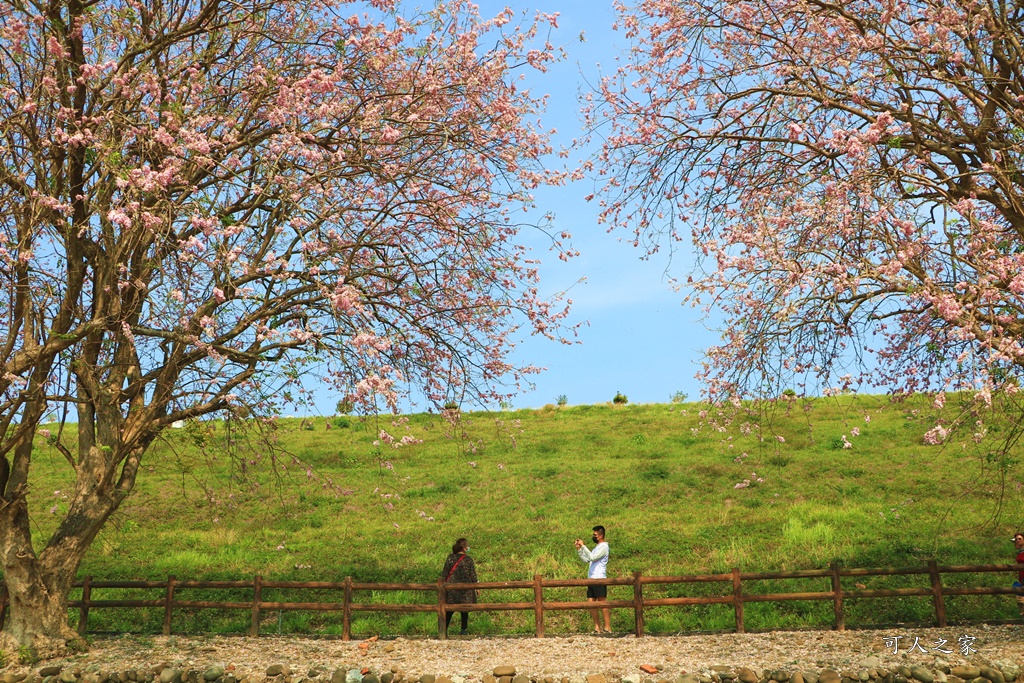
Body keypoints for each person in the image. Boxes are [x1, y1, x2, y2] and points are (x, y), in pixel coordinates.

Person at [575, 524, 611, 634]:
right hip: (591, 578)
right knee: (591, 602)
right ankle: (597, 627)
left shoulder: (604, 547)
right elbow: (587, 560)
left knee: (602, 603)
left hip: (599, 578)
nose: (594, 536)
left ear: (601, 535)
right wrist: (580, 550)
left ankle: (607, 627)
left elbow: (593, 558)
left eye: (595, 535)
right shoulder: (596, 548)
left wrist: (584, 546)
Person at [441, 537, 477, 635]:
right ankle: (463, 630)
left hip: (451, 587)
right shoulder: (468, 559)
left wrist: (442, 585)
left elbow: (444, 573)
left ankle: (444, 630)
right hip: (466, 588)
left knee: (449, 610)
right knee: (464, 610)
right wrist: (476, 586)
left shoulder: (450, 557)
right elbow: (472, 575)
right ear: (464, 548)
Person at [1013, 532, 1024, 616]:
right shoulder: (1020, 552)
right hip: (1021, 577)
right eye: (1016, 539)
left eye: (1019, 539)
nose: (1017, 541)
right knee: (1015, 586)